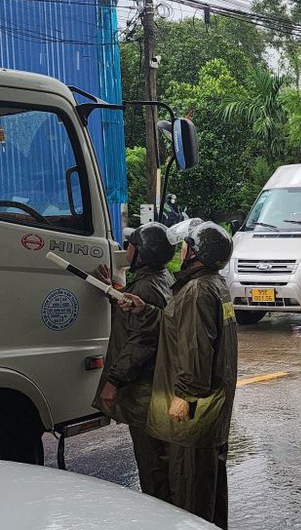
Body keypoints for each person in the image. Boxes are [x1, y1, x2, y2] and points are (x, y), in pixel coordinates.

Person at [118, 218, 237, 529]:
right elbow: (177, 328)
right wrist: (145, 310)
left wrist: (185, 395)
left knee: (190, 493)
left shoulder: (198, 290)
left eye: (187, 245)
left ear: (197, 254)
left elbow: (196, 348)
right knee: (207, 487)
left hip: (194, 412)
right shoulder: (211, 285)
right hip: (208, 409)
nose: (182, 250)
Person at [92, 221, 175, 501]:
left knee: (152, 461)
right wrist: (112, 289)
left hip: (144, 389)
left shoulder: (147, 288)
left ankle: (161, 512)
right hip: (157, 385)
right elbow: (137, 310)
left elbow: (141, 340)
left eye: (131, 245)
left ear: (142, 254)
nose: (126, 249)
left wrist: (114, 380)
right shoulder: (161, 279)